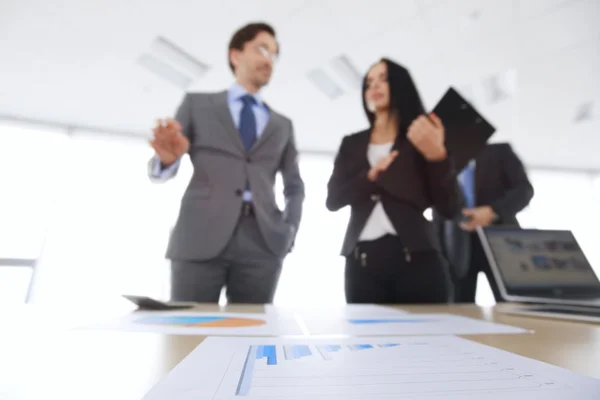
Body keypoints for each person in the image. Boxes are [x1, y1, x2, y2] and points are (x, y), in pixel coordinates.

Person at [148, 22, 305, 304]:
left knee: (252, 340)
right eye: (261, 49)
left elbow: (294, 186)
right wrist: (166, 161)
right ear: (235, 55)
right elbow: (165, 161)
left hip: (264, 241)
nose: (269, 59)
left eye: (274, 54)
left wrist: (288, 231)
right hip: (199, 235)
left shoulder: (283, 125)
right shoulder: (197, 105)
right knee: (187, 334)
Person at [325, 58, 462, 304]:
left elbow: (450, 208)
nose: (374, 86)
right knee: (366, 340)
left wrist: (437, 156)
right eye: (368, 82)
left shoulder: (422, 138)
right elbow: (333, 200)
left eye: (383, 79)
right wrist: (370, 176)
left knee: (427, 338)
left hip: (417, 259)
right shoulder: (351, 144)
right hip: (361, 262)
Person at [434, 143, 534, 303]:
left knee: (513, 303)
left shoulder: (500, 152)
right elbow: (438, 206)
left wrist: (493, 211)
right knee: (459, 306)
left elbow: (524, 191)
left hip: (499, 239)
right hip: (457, 244)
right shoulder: (442, 160)